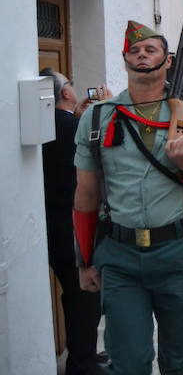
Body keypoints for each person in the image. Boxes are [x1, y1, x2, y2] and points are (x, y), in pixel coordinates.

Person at [72, 21, 183, 374]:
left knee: (179, 360)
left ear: (168, 60)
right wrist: (84, 260)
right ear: (125, 59)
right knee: (128, 362)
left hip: (178, 253)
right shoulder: (97, 118)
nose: (142, 54)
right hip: (120, 256)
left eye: (151, 49)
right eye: (134, 50)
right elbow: (85, 194)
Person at [39, 69, 106, 375]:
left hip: (52, 226)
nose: (73, 88)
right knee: (85, 298)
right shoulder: (75, 127)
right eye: (69, 84)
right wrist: (104, 110)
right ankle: (82, 364)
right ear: (65, 92)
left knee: (75, 296)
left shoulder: (47, 125)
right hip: (74, 229)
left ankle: (84, 354)